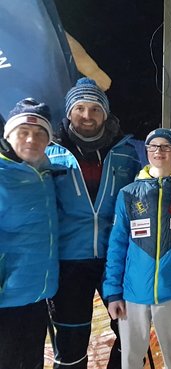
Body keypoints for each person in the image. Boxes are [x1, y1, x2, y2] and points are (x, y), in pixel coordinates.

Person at [45, 77, 141, 369]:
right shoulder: (50, 153)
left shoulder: (126, 152)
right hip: (69, 259)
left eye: (95, 109)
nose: (87, 116)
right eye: (80, 108)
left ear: (105, 113)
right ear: (69, 112)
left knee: (130, 331)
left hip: (114, 257)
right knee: (72, 340)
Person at [103, 128, 171, 369]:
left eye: (165, 146)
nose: (158, 151)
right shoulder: (129, 194)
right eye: (153, 146)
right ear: (147, 152)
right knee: (130, 361)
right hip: (133, 294)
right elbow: (117, 247)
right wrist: (113, 293)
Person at [0, 98, 59, 369]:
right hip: (6, 299)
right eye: (23, 132)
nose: (31, 139)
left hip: (37, 294)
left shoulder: (46, 174)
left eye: (39, 134)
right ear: (8, 136)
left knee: (32, 362)